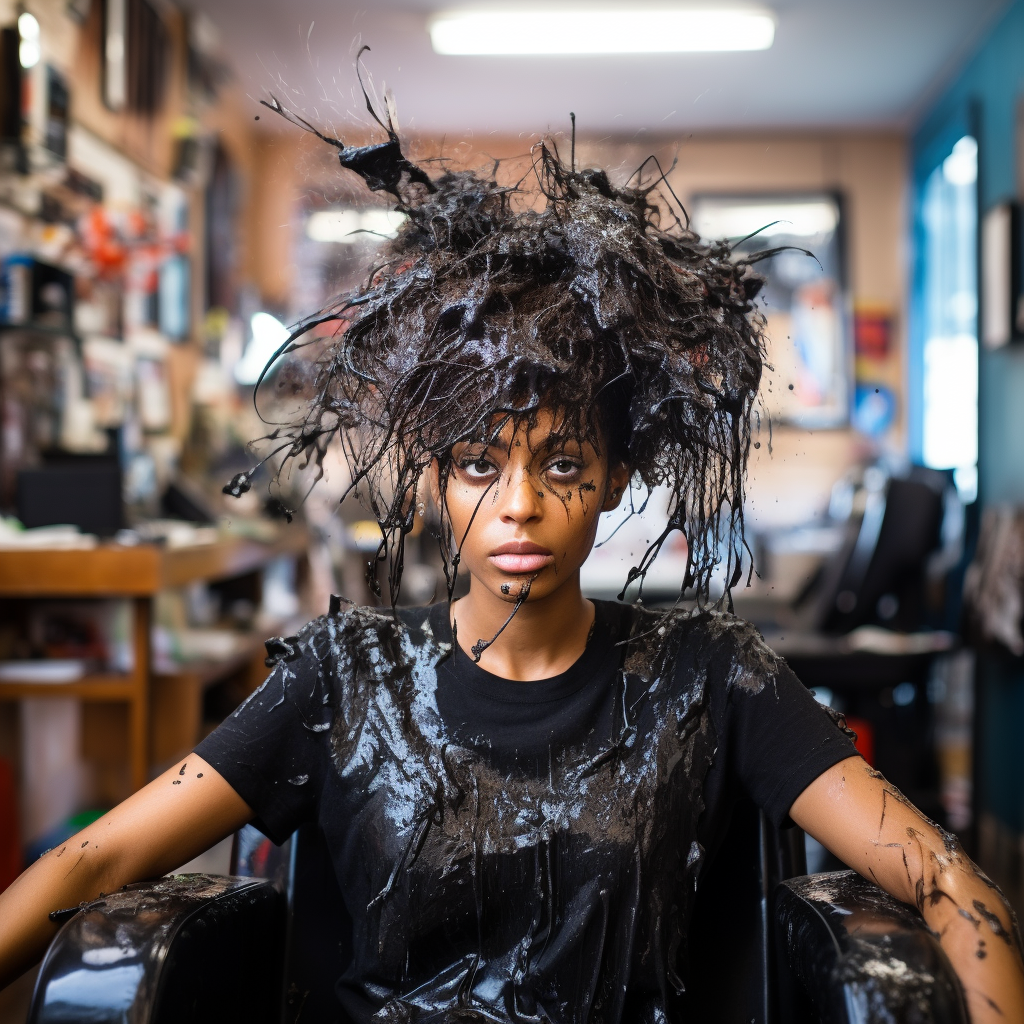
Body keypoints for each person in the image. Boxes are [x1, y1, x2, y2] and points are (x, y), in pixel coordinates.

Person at [2, 81, 1023, 1024]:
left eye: (564, 462)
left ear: (619, 475)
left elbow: (941, 878)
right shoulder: (343, 681)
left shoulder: (708, 678)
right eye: (480, 463)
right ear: (438, 475)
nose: (520, 505)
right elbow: (98, 860)